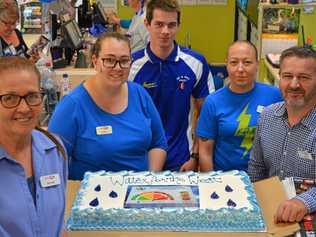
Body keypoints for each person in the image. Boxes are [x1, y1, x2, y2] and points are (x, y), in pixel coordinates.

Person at [48, 32, 167, 180]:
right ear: (95, 61)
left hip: (138, 195)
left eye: (124, 61)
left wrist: (148, 179)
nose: (118, 68)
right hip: (92, 198)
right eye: (109, 60)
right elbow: (52, 163)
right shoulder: (73, 106)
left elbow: (158, 143)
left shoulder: (139, 94)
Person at [129, 0, 214, 172]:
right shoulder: (131, 65)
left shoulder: (196, 63)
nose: (165, 31)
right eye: (159, 24)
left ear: (178, 25)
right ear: (147, 24)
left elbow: (206, 114)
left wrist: (195, 156)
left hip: (182, 161)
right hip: (141, 161)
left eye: (171, 25)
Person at [0, 57, 67, 237]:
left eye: (32, 96)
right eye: (10, 98)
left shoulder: (54, 149)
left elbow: (59, 225)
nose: (24, 108)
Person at [248, 46, 316, 223]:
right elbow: (257, 168)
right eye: (287, 76)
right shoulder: (268, 116)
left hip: (309, 214)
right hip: (271, 214)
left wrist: (304, 201)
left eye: (304, 77)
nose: (294, 84)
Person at [196, 40, 283, 172]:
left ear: (257, 65)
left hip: (265, 179)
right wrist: (212, 183)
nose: (240, 69)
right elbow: (205, 151)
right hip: (227, 179)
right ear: (227, 65)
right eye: (234, 62)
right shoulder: (213, 102)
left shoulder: (275, 96)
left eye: (247, 62)